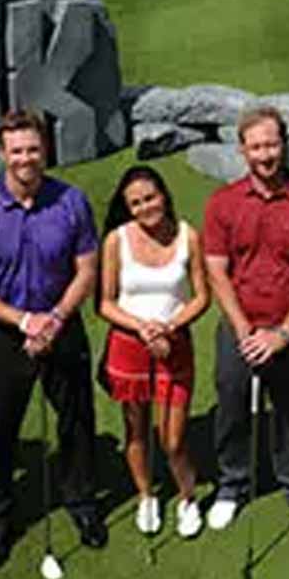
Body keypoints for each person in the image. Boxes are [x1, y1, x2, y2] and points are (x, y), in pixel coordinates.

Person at [0, 110, 106, 567]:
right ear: (3, 153)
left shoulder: (71, 202)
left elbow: (87, 270)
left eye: (33, 149)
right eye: (17, 150)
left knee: (77, 421)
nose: (26, 159)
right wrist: (23, 321)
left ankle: (81, 501)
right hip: (5, 333)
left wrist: (55, 318)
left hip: (62, 323)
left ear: (46, 150)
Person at [201, 106, 289, 536]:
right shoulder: (224, 202)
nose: (266, 154)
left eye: (272, 144)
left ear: (284, 145)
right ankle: (232, 485)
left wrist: (284, 332)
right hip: (240, 325)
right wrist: (242, 328)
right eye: (256, 146)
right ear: (243, 150)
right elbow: (217, 270)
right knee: (232, 405)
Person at [96, 165, 211, 539]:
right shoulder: (117, 240)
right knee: (136, 429)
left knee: (173, 438)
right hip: (128, 347)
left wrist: (170, 327)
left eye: (150, 197)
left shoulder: (187, 236)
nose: (146, 207)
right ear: (127, 208)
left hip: (174, 346)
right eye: (136, 203)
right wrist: (143, 328)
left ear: (163, 194)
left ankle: (187, 497)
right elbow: (106, 303)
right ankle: (146, 495)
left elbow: (202, 297)